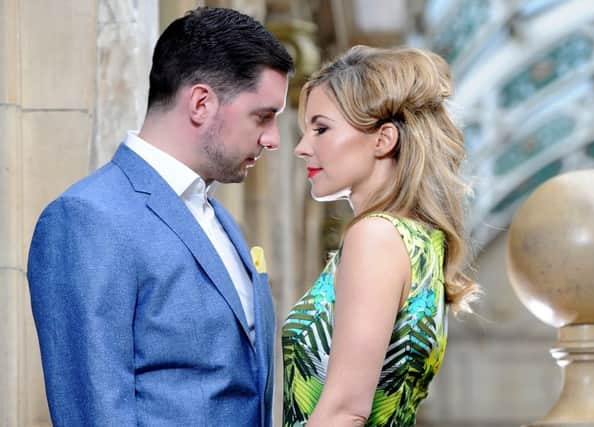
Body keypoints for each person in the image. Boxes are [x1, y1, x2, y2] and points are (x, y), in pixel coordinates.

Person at [27, 7, 293, 427]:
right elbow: (93, 412)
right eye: (262, 116)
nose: (273, 138)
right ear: (201, 103)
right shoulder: (87, 219)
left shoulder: (220, 219)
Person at [282, 45, 479, 426]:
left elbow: (346, 410)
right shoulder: (420, 241)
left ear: (383, 139)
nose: (302, 148)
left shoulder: (375, 237)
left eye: (321, 129)